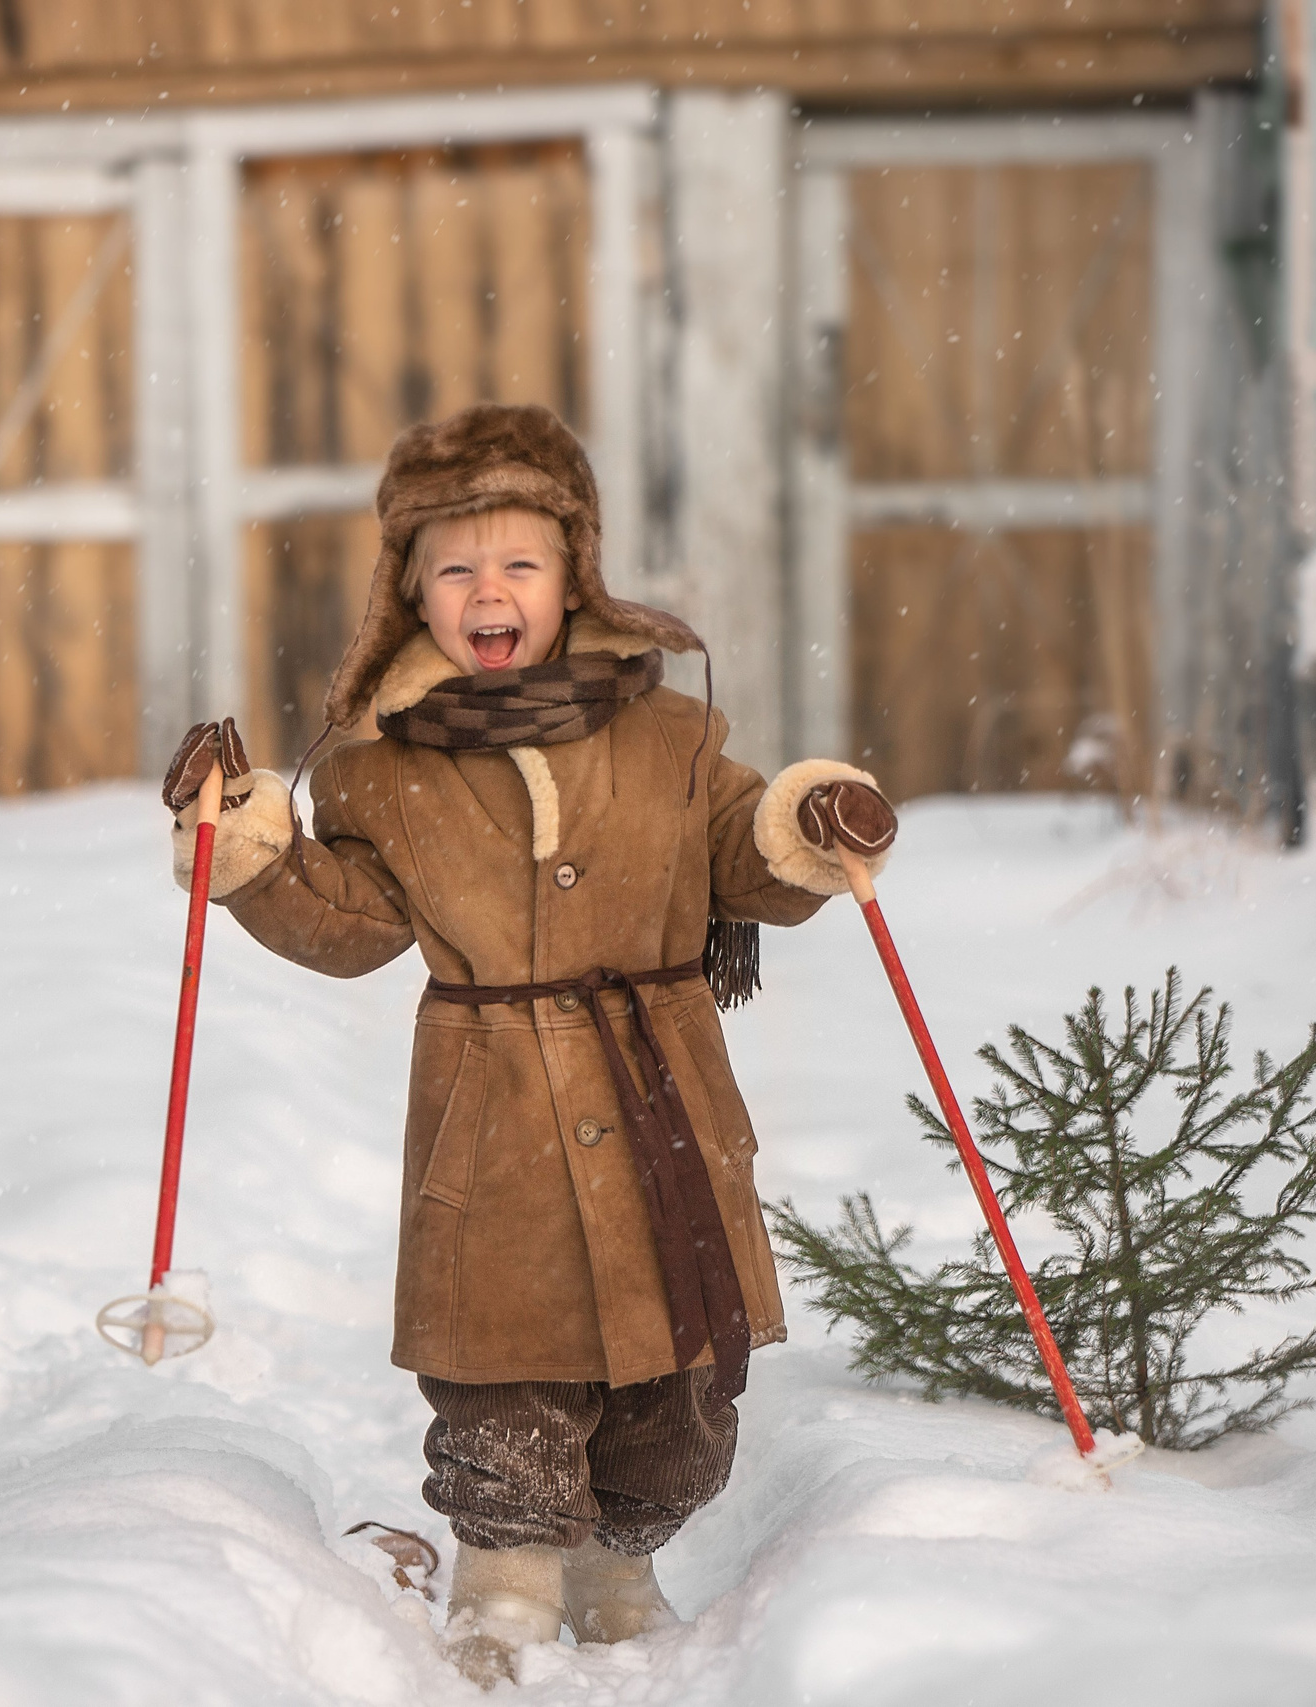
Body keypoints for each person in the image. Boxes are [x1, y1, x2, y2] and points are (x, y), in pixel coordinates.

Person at [160, 403, 896, 1688]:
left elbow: (740, 857)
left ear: (574, 578)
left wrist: (807, 828)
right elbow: (353, 923)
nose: (487, 591)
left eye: (519, 563)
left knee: (677, 1395)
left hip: (659, 1091)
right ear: (410, 593)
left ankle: (619, 1561)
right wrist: (253, 855)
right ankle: (502, 1587)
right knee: (504, 1374)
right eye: (453, 568)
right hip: (493, 1113)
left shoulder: (671, 739)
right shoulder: (382, 773)